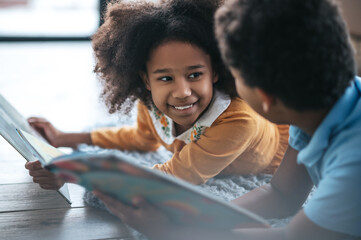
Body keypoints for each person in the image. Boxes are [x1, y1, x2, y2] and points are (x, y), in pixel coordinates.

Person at [93, 0, 361, 239]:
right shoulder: (316, 107)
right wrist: (198, 218)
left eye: (235, 76)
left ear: (265, 96)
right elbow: (283, 194)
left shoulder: (352, 163)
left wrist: (170, 231)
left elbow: (294, 236)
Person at [25, 0, 289, 190]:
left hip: (280, 155)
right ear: (146, 80)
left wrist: (76, 174)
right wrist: (65, 138)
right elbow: (143, 139)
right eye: (165, 78)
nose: (183, 92)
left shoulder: (238, 122)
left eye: (195, 75)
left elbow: (172, 176)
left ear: (216, 72)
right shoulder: (151, 102)